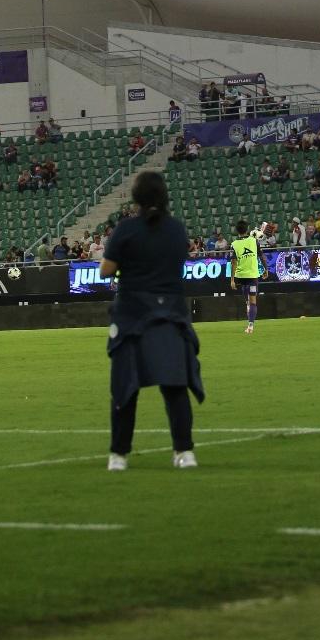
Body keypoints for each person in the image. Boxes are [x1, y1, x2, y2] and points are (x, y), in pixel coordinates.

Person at [99, 171, 203, 472]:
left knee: (125, 387)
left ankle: (118, 456)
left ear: (137, 197)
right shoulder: (176, 230)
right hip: (171, 313)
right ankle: (184, 453)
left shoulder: (126, 229)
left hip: (132, 315)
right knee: (175, 387)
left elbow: (106, 271)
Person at [230, 219, 266, 335]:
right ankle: (251, 325)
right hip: (252, 276)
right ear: (247, 229)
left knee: (248, 299)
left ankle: (248, 306)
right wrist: (265, 269)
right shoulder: (254, 241)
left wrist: (232, 280)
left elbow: (233, 263)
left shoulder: (234, 244)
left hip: (240, 276)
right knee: (253, 301)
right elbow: (262, 257)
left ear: (237, 231)